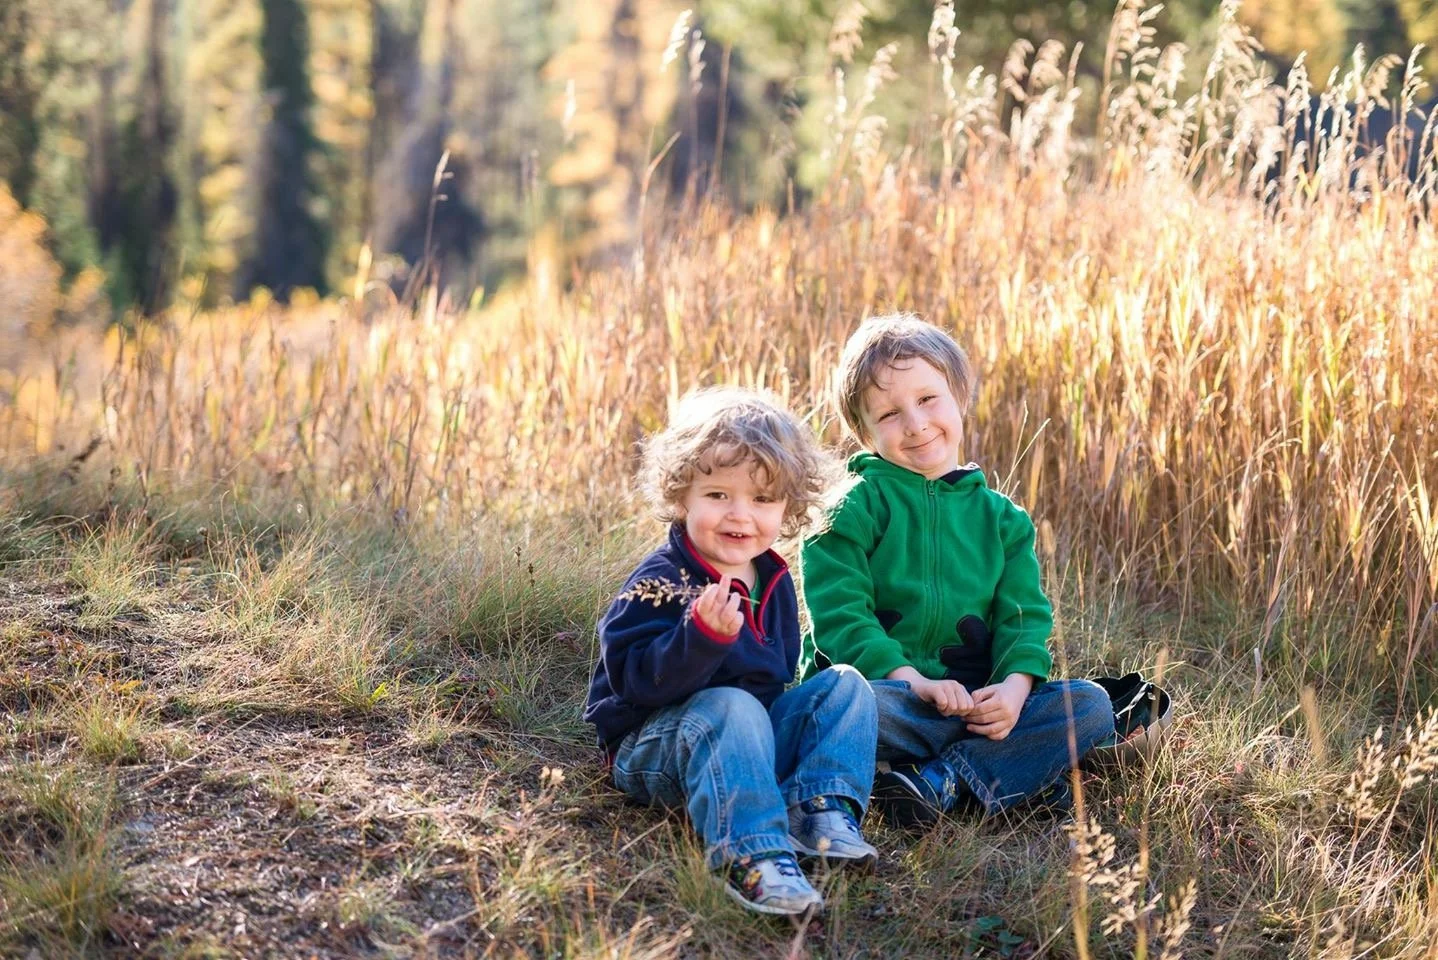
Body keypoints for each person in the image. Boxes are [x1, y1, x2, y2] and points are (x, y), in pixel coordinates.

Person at [801, 314, 1113, 827]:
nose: (917, 424)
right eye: (890, 414)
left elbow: (1024, 619)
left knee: (1091, 707)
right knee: (834, 704)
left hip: (975, 711)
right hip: (889, 703)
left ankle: (938, 779)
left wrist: (1013, 692)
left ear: (958, 395)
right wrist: (912, 682)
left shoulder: (1003, 521)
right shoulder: (848, 509)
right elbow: (841, 617)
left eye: (928, 399)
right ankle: (1002, 776)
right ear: (863, 432)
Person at [585, 387, 879, 916]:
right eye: (719, 495)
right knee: (731, 705)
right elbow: (632, 681)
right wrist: (701, 638)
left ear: (788, 506)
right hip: (654, 748)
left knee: (846, 686)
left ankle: (817, 808)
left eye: (763, 499)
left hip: (742, 742)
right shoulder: (664, 581)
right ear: (683, 496)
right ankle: (754, 856)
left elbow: (774, 679)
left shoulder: (773, 580)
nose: (740, 515)